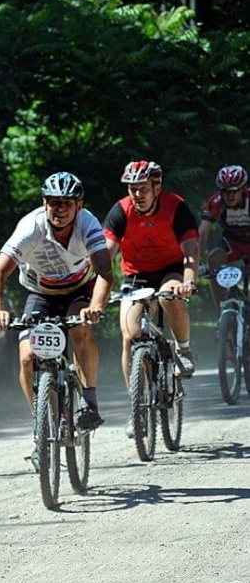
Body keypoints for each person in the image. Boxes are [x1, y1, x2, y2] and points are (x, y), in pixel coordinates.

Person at [0, 171, 113, 431]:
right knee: (26, 357)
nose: (60, 209)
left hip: (80, 289)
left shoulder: (88, 225)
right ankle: (41, 423)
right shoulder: (30, 227)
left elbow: (105, 273)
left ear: (79, 205)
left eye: (67, 203)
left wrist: (96, 306)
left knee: (80, 330)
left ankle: (89, 402)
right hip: (40, 292)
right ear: (45, 203)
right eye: (54, 202)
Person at [102, 160, 199, 437]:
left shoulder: (175, 206)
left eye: (143, 188)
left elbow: (191, 248)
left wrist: (188, 281)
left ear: (157, 187)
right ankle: (137, 408)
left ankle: (183, 348)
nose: (137, 194)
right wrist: (97, 287)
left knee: (171, 297)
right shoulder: (121, 211)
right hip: (136, 275)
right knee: (129, 335)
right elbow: (106, 254)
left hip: (170, 269)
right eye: (132, 189)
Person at [198, 165, 250, 310]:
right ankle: (222, 311)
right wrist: (198, 263)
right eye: (225, 191)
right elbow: (202, 233)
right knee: (213, 259)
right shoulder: (216, 202)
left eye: (234, 190)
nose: (230, 195)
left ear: (243, 188)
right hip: (232, 242)